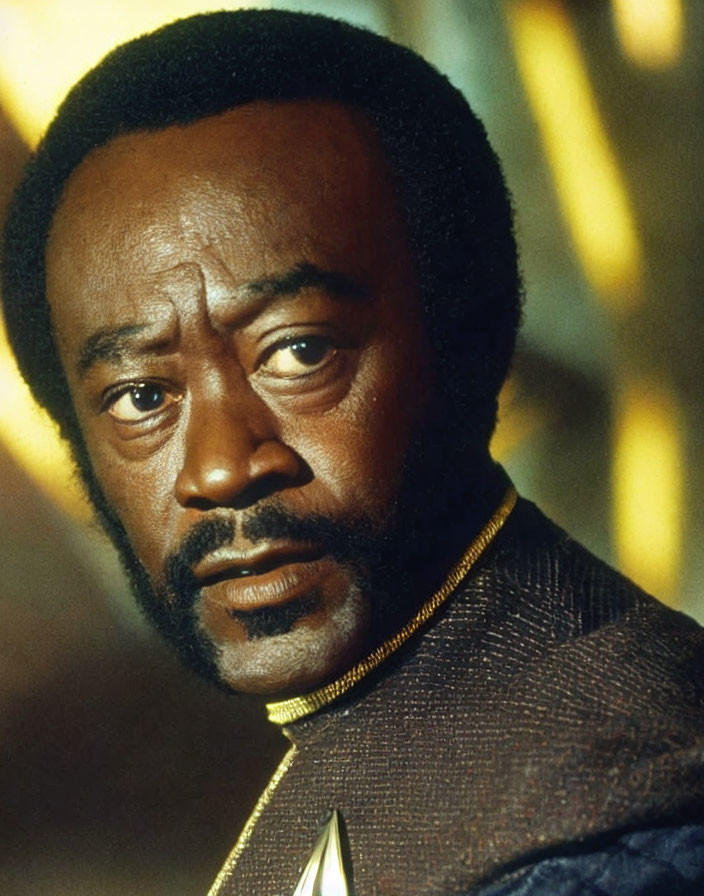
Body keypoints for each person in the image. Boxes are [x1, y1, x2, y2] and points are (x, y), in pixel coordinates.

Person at [2, 10, 703, 895]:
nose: (221, 468)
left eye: (299, 352)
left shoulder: (613, 830)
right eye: (142, 398)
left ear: (474, 338)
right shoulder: (382, 730)